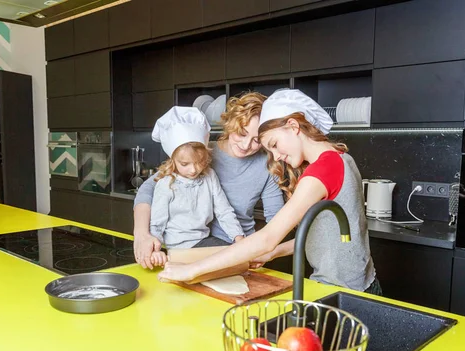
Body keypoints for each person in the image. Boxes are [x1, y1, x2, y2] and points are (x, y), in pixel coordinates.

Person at [158, 89, 382, 296]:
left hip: (344, 291)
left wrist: (191, 270)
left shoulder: (322, 170)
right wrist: (273, 254)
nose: (275, 156)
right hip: (360, 286)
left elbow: (267, 238)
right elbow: (323, 239)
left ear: (294, 127)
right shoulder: (341, 158)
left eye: (274, 144)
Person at [133, 92, 285, 269]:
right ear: (231, 123)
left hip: (241, 249)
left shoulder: (268, 166)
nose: (245, 146)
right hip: (196, 249)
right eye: (241, 133)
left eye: (257, 140)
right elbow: (148, 190)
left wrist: (260, 249)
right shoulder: (199, 152)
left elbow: (277, 220)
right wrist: (142, 234)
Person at [146, 106, 245, 267]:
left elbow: (224, 210)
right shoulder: (166, 184)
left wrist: (238, 238)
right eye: (184, 164)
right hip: (178, 249)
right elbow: (157, 223)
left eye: (199, 162)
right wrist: (155, 250)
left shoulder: (209, 176)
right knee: (230, 261)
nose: (193, 170)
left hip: (203, 241)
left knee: (238, 255)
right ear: (172, 160)